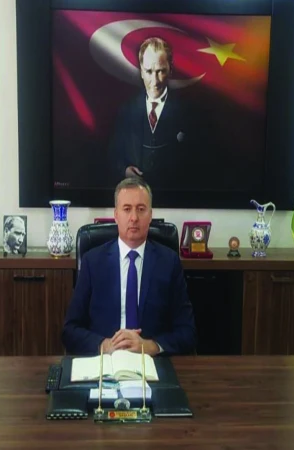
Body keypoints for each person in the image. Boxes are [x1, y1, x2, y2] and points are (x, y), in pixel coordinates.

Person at [62, 177, 196, 355]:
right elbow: (70, 330)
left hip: (151, 361)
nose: (134, 218)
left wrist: (151, 346)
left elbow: (187, 332)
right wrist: (104, 345)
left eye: (141, 209)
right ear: (116, 215)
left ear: (150, 215)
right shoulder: (92, 262)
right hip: (106, 361)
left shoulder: (169, 262)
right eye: (127, 209)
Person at [108, 37, 204, 190]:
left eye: (160, 71)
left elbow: (198, 162)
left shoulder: (188, 113)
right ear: (141, 71)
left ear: (170, 70)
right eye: (149, 71)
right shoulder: (126, 111)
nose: (155, 81)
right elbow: (114, 155)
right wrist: (125, 171)